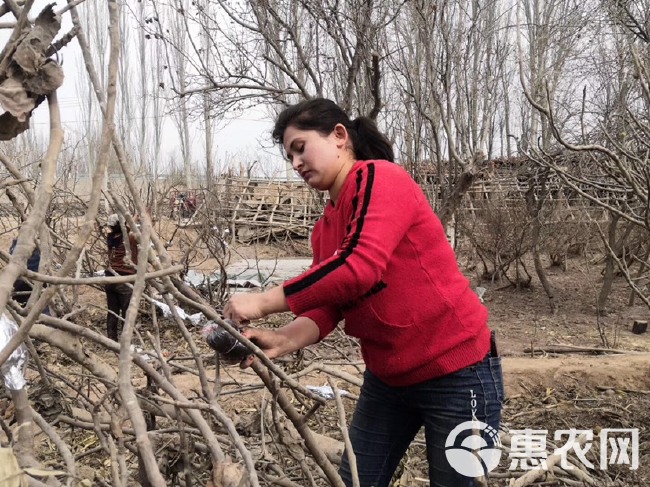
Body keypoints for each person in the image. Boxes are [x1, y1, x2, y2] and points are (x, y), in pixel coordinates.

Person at [223, 98, 504, 487]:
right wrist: (284, 337)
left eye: (300, 148)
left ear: (339, 136)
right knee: (355, 480)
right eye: (289, 157)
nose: (295, 164)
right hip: (388, 380)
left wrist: (261, 301)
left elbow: (359, 267)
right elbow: (329, 303)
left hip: (458, 372)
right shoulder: (325, 228)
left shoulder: (380, 178)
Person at [104, 214, 138, 341]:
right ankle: (126, 340)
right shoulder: (130, 238)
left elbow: (127, 227)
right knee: (127, 312)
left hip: (110, 278)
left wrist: (135, 217)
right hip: (125, 279)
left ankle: (111, 339)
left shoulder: (111, 237)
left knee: (112, 311)